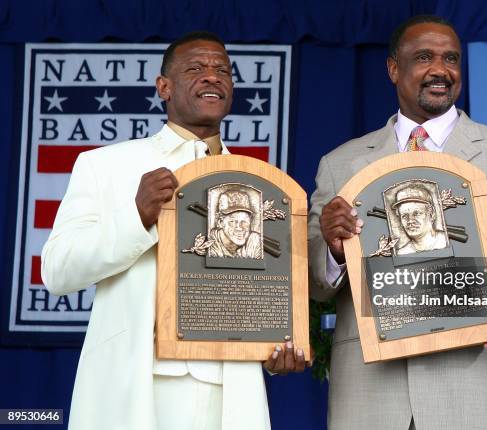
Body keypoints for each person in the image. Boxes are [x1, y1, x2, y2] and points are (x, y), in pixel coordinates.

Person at [308, 15, 487, 430]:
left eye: (451, 58)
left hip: (473, 391)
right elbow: (315, 284)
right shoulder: (340, 164)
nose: (440, 70)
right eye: (424, 58)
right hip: (369, 395)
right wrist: (332, 249)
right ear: (394, 69)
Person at [42, 31, 304, 430]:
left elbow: (266, 296)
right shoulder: (105, 165)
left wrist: (277, 347)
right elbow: (58, 272)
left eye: (222, 70)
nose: (212, 77)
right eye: (196, 69)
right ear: (163, 86)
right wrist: (137, 216)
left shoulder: (264, 187)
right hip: (138, 382)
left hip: (230, 390)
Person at [392, 184, 447, 254]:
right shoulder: (402, 253)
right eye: (404, 216)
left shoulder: (445, 241)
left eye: (416, 213)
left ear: (432, 213)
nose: (410, 221)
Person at [208, 190, 263, 259]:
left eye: (244, 221)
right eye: (232, 221)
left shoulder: (254, 241)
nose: (239, 227)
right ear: (220, 222)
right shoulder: (209, 244)